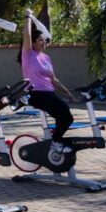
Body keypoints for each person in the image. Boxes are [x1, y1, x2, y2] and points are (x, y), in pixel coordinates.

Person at [20, 10, 75, 154]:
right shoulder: (28, 54)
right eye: (40, 40)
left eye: (44, 40)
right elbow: (26, 35)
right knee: (66, 115)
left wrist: (67, 92)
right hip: (35, 94)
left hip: (49, 93)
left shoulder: (46, 58)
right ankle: (55, 142)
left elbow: (53, 79)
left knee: (65, 117)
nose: (44, 42)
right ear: (33, 43)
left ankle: (55, 142)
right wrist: (27, 17)